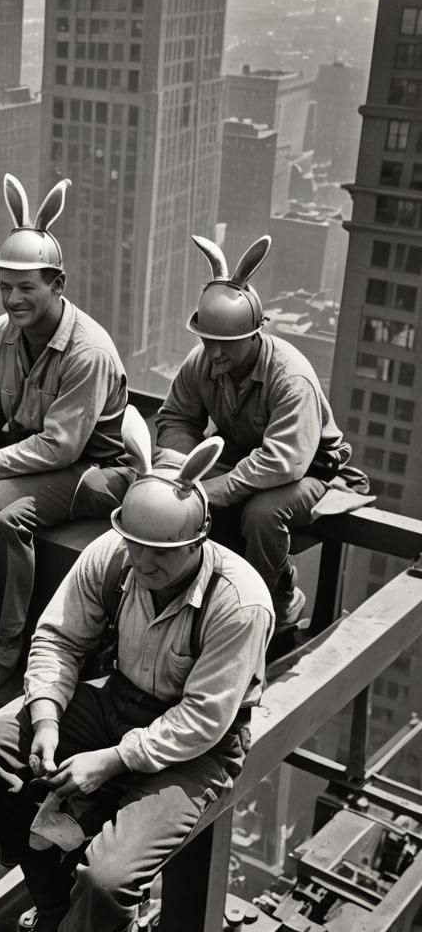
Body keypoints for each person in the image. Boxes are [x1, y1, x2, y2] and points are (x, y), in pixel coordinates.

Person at [0, 426, 273, 932]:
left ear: (198, 542)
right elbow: (59, 639)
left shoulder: (239, 603)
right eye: (136, 546)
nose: (143, 564)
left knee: (108, 878)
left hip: (198, 746)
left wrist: (111, 761)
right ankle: (54, 907)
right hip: (118, 701)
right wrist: (46, 719)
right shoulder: (114, 555)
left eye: (161, 554)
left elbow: (205, 717)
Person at [0, 174, 132, 692]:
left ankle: (10, 645)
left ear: (57, 285)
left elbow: (61, 445)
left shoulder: (87, 351)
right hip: (31, 456)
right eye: (5, 288)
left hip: (94, 469)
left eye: (26, 287)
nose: (12, 299)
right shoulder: (2, 336)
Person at [156, 234, 370, 638]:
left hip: (312, 473)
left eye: (227, 344)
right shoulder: (202, 362)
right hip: (242, 462)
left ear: (254, 335)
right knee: (168, 492)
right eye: (208, 341)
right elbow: (176, 419)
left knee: (262, 514)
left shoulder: (289, 377)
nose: (215, 353)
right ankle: (198, 602)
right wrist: (183, 471)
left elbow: (282, 462)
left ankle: (273, 609)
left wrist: (212, 489)